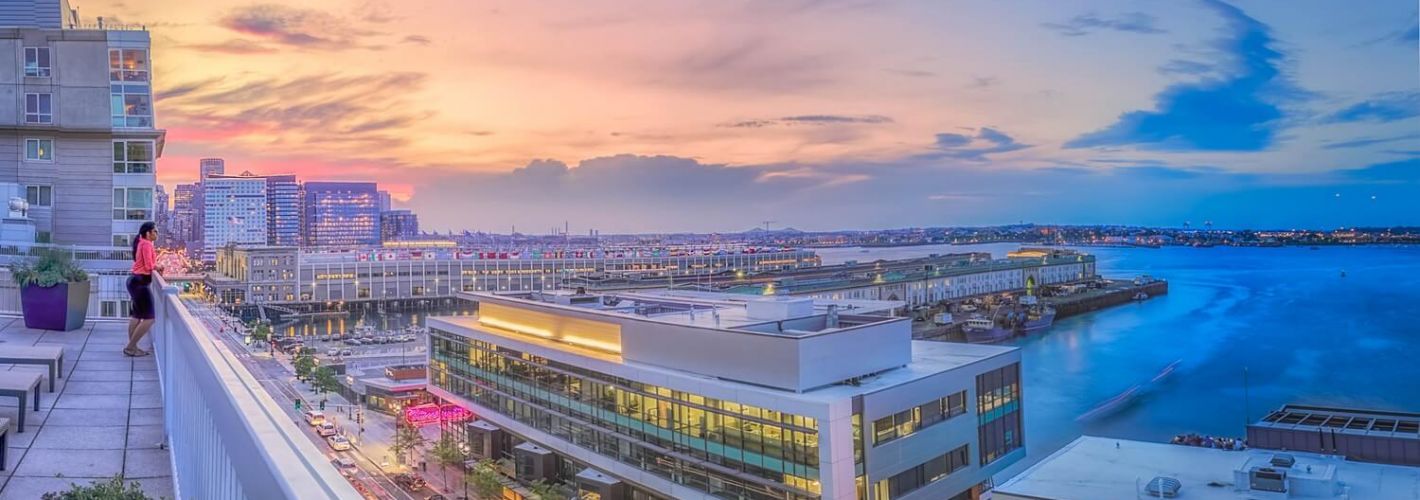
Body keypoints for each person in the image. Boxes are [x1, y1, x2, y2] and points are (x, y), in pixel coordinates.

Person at [125, 222, 162, 356]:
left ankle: (133, 348)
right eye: (155, 231)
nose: (157, 234)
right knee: (150, 318)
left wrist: (154, 266)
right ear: (148, 233)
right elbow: (148, 266)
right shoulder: (146, 244)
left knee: (137, 316)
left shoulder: (142, 243)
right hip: (140, 283)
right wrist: (158, 267)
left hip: (135, 281)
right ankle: (130, 347)